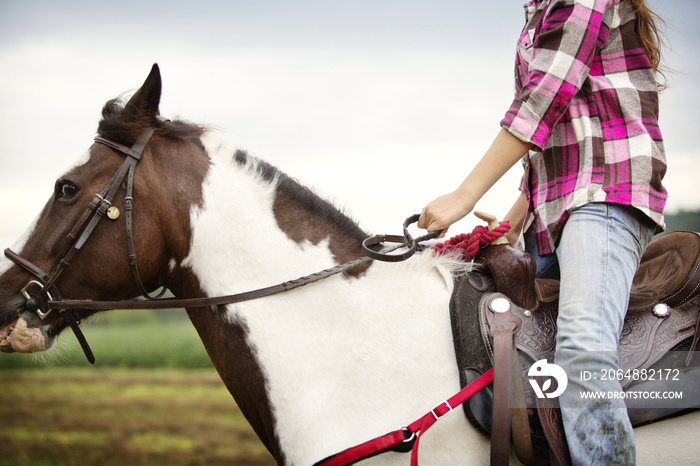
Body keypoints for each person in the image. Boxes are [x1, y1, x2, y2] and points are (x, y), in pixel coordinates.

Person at [418, 0, 667, 464]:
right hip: (553, 212)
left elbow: (542, 101)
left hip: (605, 195)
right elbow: (551, 146)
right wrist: (513, 224)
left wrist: (463, 196)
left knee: (584, 353)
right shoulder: (538, 11)